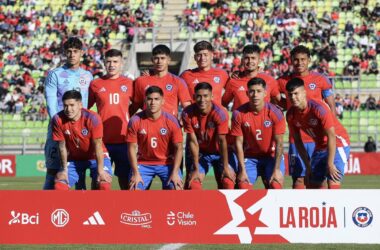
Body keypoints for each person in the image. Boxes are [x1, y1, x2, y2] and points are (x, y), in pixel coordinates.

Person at [277, 45, 336, 189]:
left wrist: (332, 128)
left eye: (303, 59)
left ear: (309, 60)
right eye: (296, 60)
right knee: (298, 180)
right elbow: (274, 97)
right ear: (291, 61)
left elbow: (331, 106)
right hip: (297, 138)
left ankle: (322, 210)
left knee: (320, 179)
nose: (299, 63)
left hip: (319, 139)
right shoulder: (282, 81)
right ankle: (300, 210)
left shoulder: (320, 79)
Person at [43, 37, 93, 190]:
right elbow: (51, 105)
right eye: (69, 51)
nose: (72, 54)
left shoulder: (88, 76)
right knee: (53, 172)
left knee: (80, 173)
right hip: (58, 130)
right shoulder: (55, 74)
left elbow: (87, 104)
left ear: (81, 53)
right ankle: (46, 210)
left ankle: (81, 212)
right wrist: (60, 126)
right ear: (65, 53)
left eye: (75, 51)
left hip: (80, 131)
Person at [286, 78, 350, 189]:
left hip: (338, 143)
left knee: (333, 178)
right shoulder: (291, 114)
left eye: (296, 93)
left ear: (304, 92)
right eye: (290, 94)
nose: (293, 97)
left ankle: (334, 206)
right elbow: (297, 140)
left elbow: (331, 136)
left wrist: (330, 164)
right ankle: (321, 206)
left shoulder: (319, 108)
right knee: (311, 182)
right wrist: (307, 166)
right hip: (320, 147)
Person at [88, 49, 133, 190]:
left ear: (121, 63)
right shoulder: (96, 84)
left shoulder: (130, 83)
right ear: (104, 63)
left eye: (115, 62)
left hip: (124, 140)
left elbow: (141, 106)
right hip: (101, 140)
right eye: (108, 61)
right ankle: (94, 208)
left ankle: (126, 210)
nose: (112, 65)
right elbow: (85, 109)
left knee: (126, 179)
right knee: (100, 179)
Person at [230, 77, 286, 189]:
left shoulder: (275, 113)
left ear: (265, 93)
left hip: (271, 156)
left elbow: (279, 143)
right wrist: (242, 170)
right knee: (243, 185)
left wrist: (277, 170)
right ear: (247, 93)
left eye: (259, 91)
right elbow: (238, 144)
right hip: (249, 157)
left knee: (275, 185)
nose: (255, 95)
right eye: (252, 91)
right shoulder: (238, 114)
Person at [52, 90, 112, 190]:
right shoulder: (57, 119)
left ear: (80, 105)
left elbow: (98, 145)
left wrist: (100, 171)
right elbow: (61, 146)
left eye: (72, 105)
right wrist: (64, 170)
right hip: (74, 159)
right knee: (59, 186)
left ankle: (99, 205)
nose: (68, 109)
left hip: (96, 158)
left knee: (103, 185)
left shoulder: (93, 118)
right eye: (65, 105)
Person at [182, 82, 237, 190]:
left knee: (228, 182)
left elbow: (222, 141)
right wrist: (196, 169)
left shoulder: (220, 113)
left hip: (221, 152)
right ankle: (198, 207)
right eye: (199, 96)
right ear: (194, 97)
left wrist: (226, 167)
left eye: (205, 96)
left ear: (212, 96)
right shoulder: (187, 113)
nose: (202, 100)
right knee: (194, 183)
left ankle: (224, 207)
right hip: (203, 153)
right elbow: (193, 142)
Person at [127, 86, 183, 190]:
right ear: (145, 101)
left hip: (167, 163)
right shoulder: (135, 120)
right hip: (143, 164)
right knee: (134, 189)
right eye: (149, 99)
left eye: (156, 99)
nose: (153, 102)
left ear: (162, 101)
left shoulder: (171, 121)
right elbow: (131, 148)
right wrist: (135, 173)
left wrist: (175, 173)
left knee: (176, 188)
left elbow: (179, 148)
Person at [131, 44, 191, 117]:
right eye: (156, 58)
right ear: (152, 60)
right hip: (147, 125)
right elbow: (136, 104)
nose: (159, 61)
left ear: (168, 60)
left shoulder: (178, 81)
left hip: (170, 125)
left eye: (163, 58)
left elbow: (187, 107)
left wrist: (184, 121)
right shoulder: (141, 81)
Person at [222, 44, 281, 111]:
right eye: (247, 58)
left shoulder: (269, 80)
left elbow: (280, 102)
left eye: (253, 58)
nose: (250, 61)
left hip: (263, 121)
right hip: (240, 121)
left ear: (259, 60)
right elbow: (223, 104)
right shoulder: (234, 81)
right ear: (242, 60)